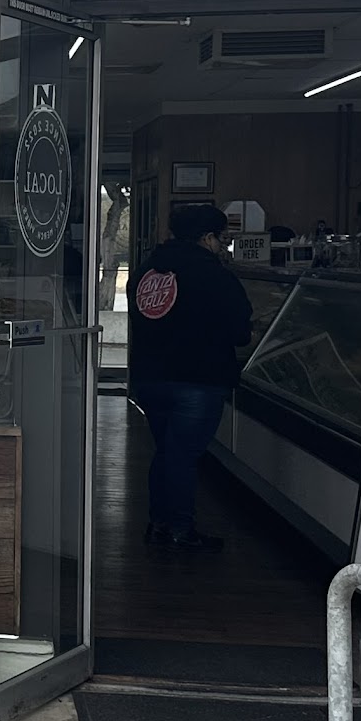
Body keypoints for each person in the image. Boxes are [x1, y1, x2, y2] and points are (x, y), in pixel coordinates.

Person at [128, 202, 254, 552]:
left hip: (150, 377)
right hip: (199, 379)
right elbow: (240, 332)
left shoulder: (146, 271)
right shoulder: (215, 276)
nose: (222, 247)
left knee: (167, 452)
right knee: (181, 456)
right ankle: (180, 529)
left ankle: (159, 524)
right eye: (222, 239)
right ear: (207, 237)